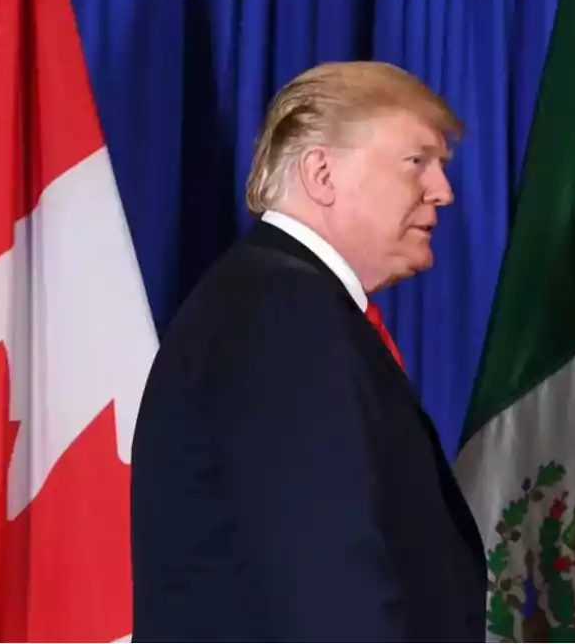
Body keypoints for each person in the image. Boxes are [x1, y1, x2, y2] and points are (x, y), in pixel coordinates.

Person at [129, 62, 487, 642]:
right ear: (321, 173)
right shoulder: (283, 312)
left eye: (440, 166)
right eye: (417, 162)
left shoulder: (283, 300)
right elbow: (331, 583)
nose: (442, 191)